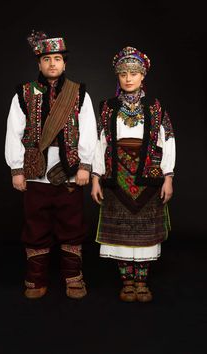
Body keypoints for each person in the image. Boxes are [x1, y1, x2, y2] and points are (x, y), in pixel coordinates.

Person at [5, 30, 97, 300]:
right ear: (39, 64)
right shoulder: (23, 93)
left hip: (69, 171)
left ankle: (73, 278)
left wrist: (85, 165)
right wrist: (17, 170)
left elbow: (89, 131)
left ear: (65, 63)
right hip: (35, 172)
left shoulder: (78, 93)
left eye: (57, 58)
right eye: (47, 59)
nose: (53, 64)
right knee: (36, 225)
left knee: (72, 223)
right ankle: (35, 279)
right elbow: (13, 132)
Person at [91, 46, 175, 302]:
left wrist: (168, 177)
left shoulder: (156, 107)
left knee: (144, 232)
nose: (128, 78)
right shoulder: (107, 107)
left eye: (134, 73)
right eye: (123, 73)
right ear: (117, 76)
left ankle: (142, 280)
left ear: (143, 76)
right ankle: (126, 281)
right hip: (115, 177)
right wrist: (96, 177)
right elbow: (99, 143)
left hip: (148, 177)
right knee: (119, 232)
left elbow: (168, 140)